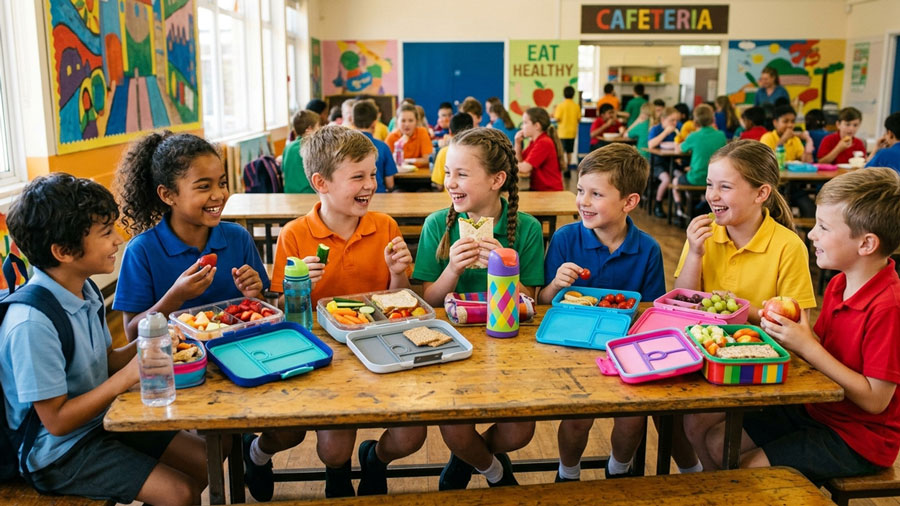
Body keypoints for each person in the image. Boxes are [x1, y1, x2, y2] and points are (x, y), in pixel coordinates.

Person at [0, 173, 208, 505]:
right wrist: (129, 376)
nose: (118, 240)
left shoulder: (85, 289)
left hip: (101, 420)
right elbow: (56, 421)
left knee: (204, 461)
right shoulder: (31, 324)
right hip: (58, 452)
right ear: (63, 251)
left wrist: (153, 342)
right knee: (179, 494)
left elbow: (105, 362)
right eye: (106, 232)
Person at [698, 168, 900, 485]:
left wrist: (807, 345)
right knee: (716, 440)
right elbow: (831, 354)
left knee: (751, 470)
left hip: (858, 437)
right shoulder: (838, 285)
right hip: (818, 409)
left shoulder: (889, 307)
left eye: (823, 227)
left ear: (866, 244)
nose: (812, 234)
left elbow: (875, 401)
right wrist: (791, 334)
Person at [250, 126, 419, 500]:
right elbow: (282, 314)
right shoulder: (294, 235)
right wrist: (298, 289)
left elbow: (400, 303)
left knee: (412, 435)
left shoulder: (385, 226)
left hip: (380, 346)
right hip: (325, 354)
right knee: (333, 451)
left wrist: (398, 274)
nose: (370, 184)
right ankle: (259, 455)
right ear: (320, 182)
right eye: (357, 176)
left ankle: (375, 459)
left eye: (373, 174)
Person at [412, 127, 544, 489]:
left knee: (520, 432)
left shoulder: (527, 229)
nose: (450, 182)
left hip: (508, 346)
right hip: (449, 345)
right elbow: (430, 301)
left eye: (462, 174)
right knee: (455, 428)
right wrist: (453, 269)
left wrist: (503, 266)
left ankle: (470, 456)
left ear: (497, 180)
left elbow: (528, 301)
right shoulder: (438, 224)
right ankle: (494, 471)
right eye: (448, 172)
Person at [678, 140, 818, 470]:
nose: (712, 195)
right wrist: (695, 254)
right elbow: (683, 301)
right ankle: (718, 486)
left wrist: (743, 311)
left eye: (725, 187)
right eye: (710, 184)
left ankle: (724, 488)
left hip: (760, 363)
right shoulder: (706, 234)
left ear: (761, 193)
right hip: (707, 354)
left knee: (698, 426)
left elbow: (800, 331)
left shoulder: (788, 246)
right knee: (687, 423)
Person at [538, 144, 666, 482]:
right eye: (581, 190)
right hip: (572, 343)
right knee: (578, 416)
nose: (583, 201)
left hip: (626, 347)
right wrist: (555, 284)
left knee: (633, 417)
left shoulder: (648, 249)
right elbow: (543, 301)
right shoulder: (566, 238)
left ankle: (618, 469)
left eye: (596, 194)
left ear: (629, 202)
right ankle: (567, 472)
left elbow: (651, 311)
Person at [113, 132, 267, 342]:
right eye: (204, 186)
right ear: (168, 195)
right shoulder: (141, 251)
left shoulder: (238, 238)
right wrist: (175, 297)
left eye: (222, 183)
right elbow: (132, 333)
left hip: (238, 348)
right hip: (181, 360)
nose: (219, 195)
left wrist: (254, 294)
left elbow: (260, 307)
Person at [673, 104, 727, 214]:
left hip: (696, 178)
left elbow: (678, 150)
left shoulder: (693, 136)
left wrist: (676, 140)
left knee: (675, 181)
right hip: (716, 179)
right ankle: (700, 205)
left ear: (695, 121)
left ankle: (680, 210)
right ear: (713, 118)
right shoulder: (721, 135)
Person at [514, 107, 565, 191]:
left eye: (525, 123)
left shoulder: (544, 142)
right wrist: (518, 143)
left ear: (537, 126)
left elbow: (524, 168)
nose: (522, 126)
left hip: (549, 191)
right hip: (539, 188)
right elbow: (519, 161)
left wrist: (503, 165)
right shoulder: (534, 142)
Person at [352, 100, 398, 193]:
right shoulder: (383, 147)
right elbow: (390, 184)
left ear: (352, 122)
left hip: (353, 198)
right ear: (374, 123)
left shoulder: (343, 147)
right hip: (379, 197)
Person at [648, 107, 682, 218]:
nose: (674, 123)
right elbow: (651, 145)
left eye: (676, 120)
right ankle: (658, 204)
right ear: (663, 120)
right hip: (657, 163)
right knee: (666, 179)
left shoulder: (678, 128)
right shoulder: (656, 129)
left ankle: (679, 208)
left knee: (680, 177)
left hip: (672, 162)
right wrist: (665, 132)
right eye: (672, 120)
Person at [431, 112, 475, 191]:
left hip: (448, 198)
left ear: (450, 132)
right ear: (472, 130)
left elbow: (439, 185)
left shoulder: (444, 152)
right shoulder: (478, 152)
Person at [283, 109, 322, 193]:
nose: (320, 129)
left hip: (288, 194)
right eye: (318, 126)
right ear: (309, 130)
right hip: (308, 194)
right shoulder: (312, 147)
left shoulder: (288, 147)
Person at [385, 103, 433, 168]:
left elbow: (427, 159)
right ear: (397, 122)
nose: (407, 124)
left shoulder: (422, 132)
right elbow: (387, 162)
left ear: (416, 121)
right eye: (403, 121)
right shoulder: (391, 137)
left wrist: (408, 161)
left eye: (411, 121)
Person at [554, 86, 582, 168]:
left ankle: (563, 167)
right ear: (573, 95)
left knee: (561, 151)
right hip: (572, 132)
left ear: (564, 94)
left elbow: (557, 118)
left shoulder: (561, 106)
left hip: (562, 132)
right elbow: (579, 119)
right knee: (569, 151)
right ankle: (569, 166)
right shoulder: (576, 106)